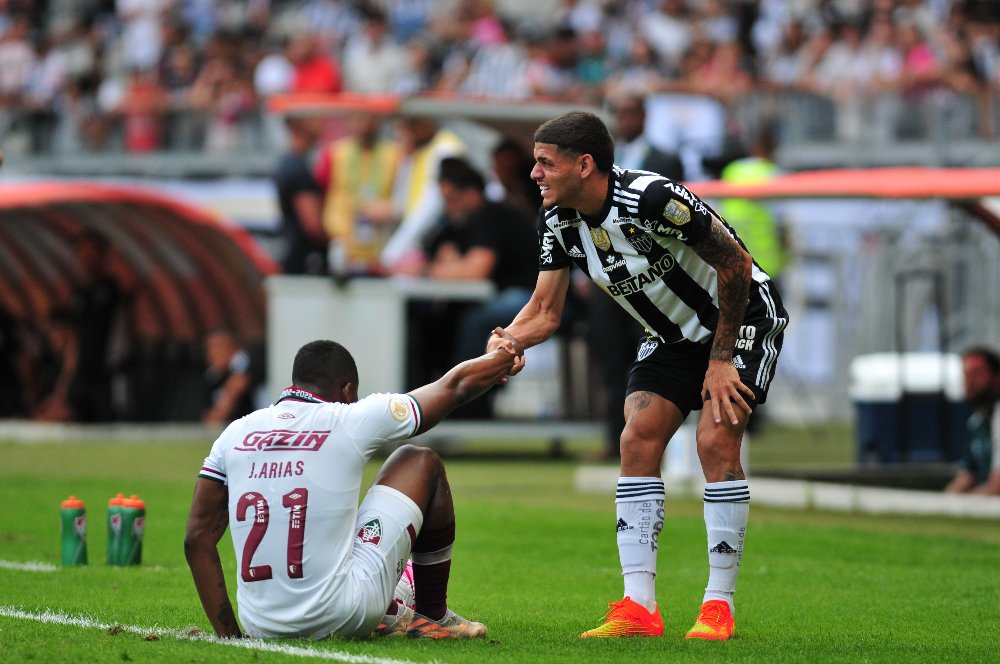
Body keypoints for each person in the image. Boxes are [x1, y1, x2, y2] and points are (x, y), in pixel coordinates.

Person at [487, 111, 788, 640]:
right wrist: (507, 342)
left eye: (545, 163)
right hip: (671, 336)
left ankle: (718, 606)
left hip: (740, 319)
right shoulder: (557, 221)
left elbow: (736, 264)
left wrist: (720, 360)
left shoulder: (652, 198)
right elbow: (545, 310)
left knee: (715, 440)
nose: (533, 173)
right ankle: (639, 607)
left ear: (584, 165)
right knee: (637, 438)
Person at [184, 337, 519, 639]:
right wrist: (503, 355)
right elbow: (454, 387)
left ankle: (392, 607)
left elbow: (197, 538)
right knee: (419, 461)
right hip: (344, 612)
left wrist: (230, 636)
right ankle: (433, 615)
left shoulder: (235, 432)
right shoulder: (349, 418)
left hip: (261, 624)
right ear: (347, 390)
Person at [588, 93, 686, 459]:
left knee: (653, 357)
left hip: (651, 275)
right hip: (607, 277)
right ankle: (615, 440)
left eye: (630, 112)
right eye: (619, 112)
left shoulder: (665, 160)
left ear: (644, 116)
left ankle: (659, 443)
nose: (624, 119)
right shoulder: (599, 162)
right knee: (612, 360)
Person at [401, 156, 538, 417]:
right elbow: (438, 258)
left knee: (475, 321)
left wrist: (429, 270)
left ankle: (468, 404)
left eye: (451, 198)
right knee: (438, 317)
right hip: (501, 293)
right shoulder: (457, 223)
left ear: (472, 194)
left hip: (532, 295)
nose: (447, 206)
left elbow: (474, 272)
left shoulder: (490, 216)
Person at [313, 112, 401, 276]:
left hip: (381, 250)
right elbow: (318, 200)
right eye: (358, 117)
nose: (364, 123)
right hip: (342, 249)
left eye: (369, 117)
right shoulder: (334, 153)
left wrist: (390, 209)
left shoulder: (394, 154)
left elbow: (405, 199)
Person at [273, 116, 327, 275]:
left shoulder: (288, 163)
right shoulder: (296, 169)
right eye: (312, 116)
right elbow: (313, 226)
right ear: (298, 123)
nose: (320, 122)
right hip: (302, 267)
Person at [944, 347, 1000, 495]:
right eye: (966, 374)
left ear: (997, 376)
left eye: (977, 373)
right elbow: (966, 477)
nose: (970, 381)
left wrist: (965, 503)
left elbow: (997, 487)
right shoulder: (976, 421)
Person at [202, 329, 260, 427]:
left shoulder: (249, 368)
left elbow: (213, 421)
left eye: (219, 347)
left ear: (234, 347)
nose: (212, 353)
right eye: (209, 348)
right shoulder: (213, 377)